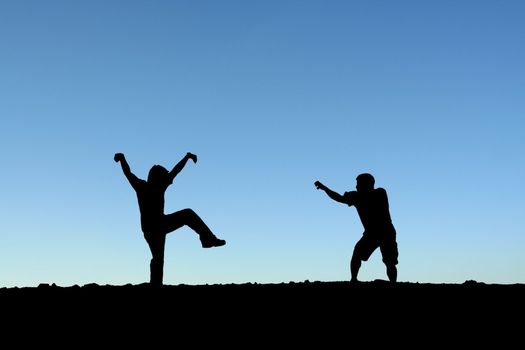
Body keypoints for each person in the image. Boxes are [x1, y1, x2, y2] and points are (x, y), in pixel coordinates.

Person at [114, 152, 226, 286]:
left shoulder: (150, 186)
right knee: (187, 215)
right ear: (157, 177)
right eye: (164, 176)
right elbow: (129, 173)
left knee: (158, 258)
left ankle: (156, 284)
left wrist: (187, 157)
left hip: (152, 227)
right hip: (157, 226)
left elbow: (174, 171)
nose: (167, 179)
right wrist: (122, 158)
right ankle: (207, 239)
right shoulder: (145, 186)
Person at [314, 173, 398, 283]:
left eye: (359, 184)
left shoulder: (379, 192)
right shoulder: (357, 196)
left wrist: (327, 189)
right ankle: (354, 279)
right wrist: (325, 189)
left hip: (385, 232)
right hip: (372, 233)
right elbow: (339, 198)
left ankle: (393, 283)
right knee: (357, 253)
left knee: (389, 261)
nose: (356, 186)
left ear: (367, 184)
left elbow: (342, 198)